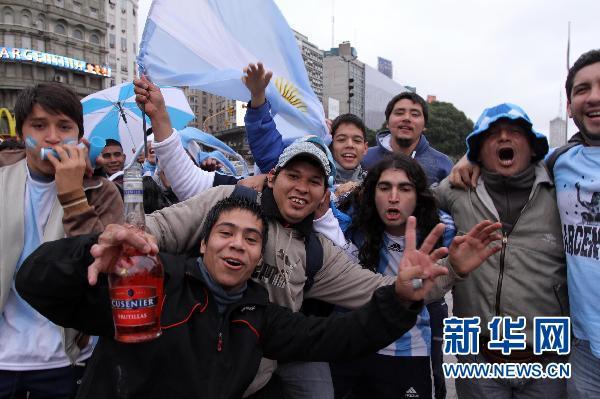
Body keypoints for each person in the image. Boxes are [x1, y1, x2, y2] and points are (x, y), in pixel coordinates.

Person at [107, 75, 500, 398]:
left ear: (325, 196)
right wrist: (124, 237)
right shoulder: (229, 201)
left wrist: (450, 272)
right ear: (273, 177)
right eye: (293, 175)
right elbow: (157, 230)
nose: (302, 188)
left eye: (315, 181)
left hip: (269, 363)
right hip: (193, 356)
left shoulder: (318, 252)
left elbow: (382, 289)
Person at [16, 196, 450, 399]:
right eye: (225, 233)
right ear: (203, 244)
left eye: (250, 238)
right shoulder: (153, 284)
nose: (237, 245)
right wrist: (85, 251)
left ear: (259, 254)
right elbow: (34, 283)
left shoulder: (260, 317)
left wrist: (400, 297)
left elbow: (341, 336)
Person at [331, 153, 501, 399]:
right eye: (384, 187)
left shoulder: (439, 231)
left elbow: (424, 291)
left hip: (407, 353)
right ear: (371, 193)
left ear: (418, 196)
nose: (393, 197)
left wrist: (454, 269)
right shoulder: (348, 229)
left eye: (404, 188)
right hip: (353, 349)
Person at [0, 82, 123, 399]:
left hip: (67, 358)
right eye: (39, 126)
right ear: (21, 131)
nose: (52, 137)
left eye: (63, 126)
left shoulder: (102, 191)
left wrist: (73, 196)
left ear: (79, 137)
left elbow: (106, 267)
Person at [436, 103, 568, 398]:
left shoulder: (561, 187)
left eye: (515, 132)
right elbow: (409, 195)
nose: (504, 138)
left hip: (548, 362)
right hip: (479, 359)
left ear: (533, 147)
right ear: (479, 151)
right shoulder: (457, 188)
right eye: (492, 134)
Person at [241, 63, 368, 195]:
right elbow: (268, 151)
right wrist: (258, 97)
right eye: (341, 139)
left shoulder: (374, 184)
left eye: (357, 140)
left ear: (365, 148)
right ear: (330, 145)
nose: (349, 145)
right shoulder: (307, 169)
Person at [555, 49, 600, 398]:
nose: (594, 96)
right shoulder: (558, 164)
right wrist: (471, 159)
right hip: (583, 346)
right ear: (570, 107)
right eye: (582, 89)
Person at [361, 92, 452, 184]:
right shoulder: (364, 158)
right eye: (399, 113)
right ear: (387, 122)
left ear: (424, 125)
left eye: (415, 114)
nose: (407, 118)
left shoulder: (443, 164)